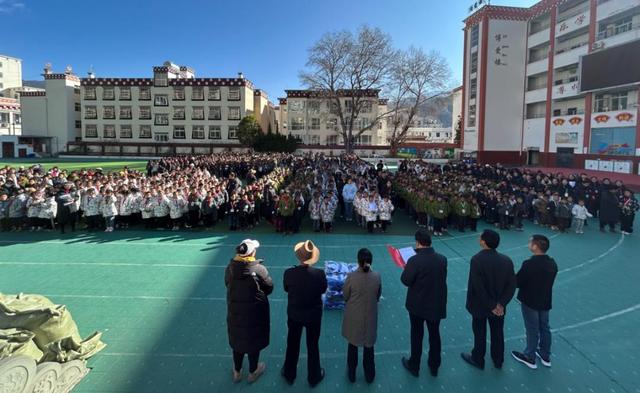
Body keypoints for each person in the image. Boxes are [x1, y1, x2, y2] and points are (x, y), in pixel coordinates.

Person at [461, 229, 516, 370]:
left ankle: (478, 358)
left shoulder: (477, 260)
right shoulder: (506, 260)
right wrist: (501, 304)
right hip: (499, 307)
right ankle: (498, 360)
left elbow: (478, 287)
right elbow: (511, 285)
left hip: (480, 305)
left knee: (479, 332)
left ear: (483, 242)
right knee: (498, 332)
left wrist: (491, 305)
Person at [225, 239, 273, 384]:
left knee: (237, 338)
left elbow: (227, 283)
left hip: (235, 310)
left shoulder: (230, 268)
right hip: (255, 312)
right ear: (252, 252)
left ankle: (237, 371)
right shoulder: (258, 269)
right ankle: (253, 371)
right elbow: (269, 287)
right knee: (254, 340)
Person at [401, 229, 448, 377]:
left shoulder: (414, 260)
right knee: (435, 335)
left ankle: (414, 364)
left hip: (418, 305)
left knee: (417, 334)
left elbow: (406, 280)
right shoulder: (442, 259)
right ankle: (434, 365)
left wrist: (407, 268)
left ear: (418, 243)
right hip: (436, 303)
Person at [282, 240, 327, 387]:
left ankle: (289, 373)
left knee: (292, 343)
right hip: (313, 315)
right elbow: (323, 290)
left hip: (295, 314)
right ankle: (314, 377)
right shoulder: (320, 274)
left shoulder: (289, 273)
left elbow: (286, 289)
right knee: (313, 345)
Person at [511, 235, 558, 369]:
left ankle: (529, 356)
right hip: (545, 299)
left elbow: (518, 281)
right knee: (544, 327)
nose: (529, 244)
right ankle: (545, 354)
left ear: (535, 246)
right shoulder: (552, 263)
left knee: (532, 328)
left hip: (530, 300)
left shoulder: (530, 264)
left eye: (530, 242)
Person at [342, 248, 382, 383]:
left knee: (352, 345)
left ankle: (352, 374)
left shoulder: (351, 277)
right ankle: (370, 375)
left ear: (358, 261)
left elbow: (345, 295)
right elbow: (377, 295)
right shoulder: (376, 276)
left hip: (354, 316)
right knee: (369, 347)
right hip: (370, 316)